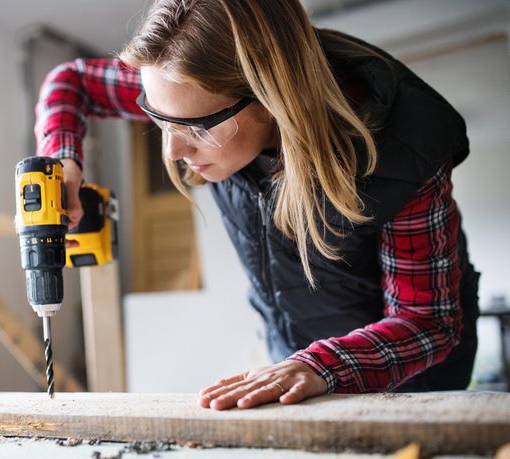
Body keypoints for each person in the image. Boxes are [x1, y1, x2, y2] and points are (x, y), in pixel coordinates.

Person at [34, 0, 480, 410]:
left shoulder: (404, 153)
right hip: (296, 367)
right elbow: (70, 82)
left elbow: (427, 322)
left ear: (272, 98)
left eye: (197, 129)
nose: (172, 151)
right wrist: (62, 161)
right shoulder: (187, 84)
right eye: (157, 117)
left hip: (412, 383)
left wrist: (321, 365)